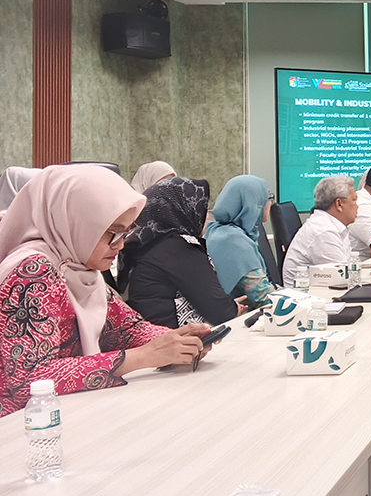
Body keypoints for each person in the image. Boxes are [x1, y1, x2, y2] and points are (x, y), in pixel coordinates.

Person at [0, 165, 213, 417]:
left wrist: (177, 341)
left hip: (66, 412)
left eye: (126, 232)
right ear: (74, 223)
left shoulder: (78, 267)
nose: (120, 245)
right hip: (23, 425)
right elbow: (29, 380)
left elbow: (126, 328)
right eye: (112, 233)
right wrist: (142, 357)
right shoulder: (33, 272)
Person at [121, 177, 240, 328]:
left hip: (155, 333)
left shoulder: (150, 242)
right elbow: (221, 311)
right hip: (172, 336)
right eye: (201, 208)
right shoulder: (178, 248)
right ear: (183, 211)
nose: (207, 216)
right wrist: (234, 308)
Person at [205, 175, 275, 307]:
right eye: (267, 198)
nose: (269, 203)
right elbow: (262, 296)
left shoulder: (215, 230)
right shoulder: (233, 241)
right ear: (254, 204)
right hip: (239, 316)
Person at [283, 176, 359, 287]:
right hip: (307, 295)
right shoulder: (324, 232)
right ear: (339, 204)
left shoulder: (332, 225)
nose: (357, 206)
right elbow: (343, 278)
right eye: (354, 200)